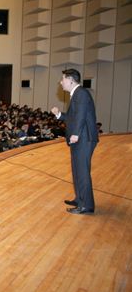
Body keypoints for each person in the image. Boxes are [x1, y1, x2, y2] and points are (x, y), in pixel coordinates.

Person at [51, 68, 98, 215]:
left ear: (71, 80)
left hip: (83, 138)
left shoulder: (81, 93)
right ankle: (80, 199)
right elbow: (72, 117)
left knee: (82, 172)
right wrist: (59, 115)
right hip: (80, 138)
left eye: (63, 79)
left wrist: (76, 134)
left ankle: (86, 205)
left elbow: (81, 116)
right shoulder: (76, 94)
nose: (61, 82)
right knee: (77, 170)